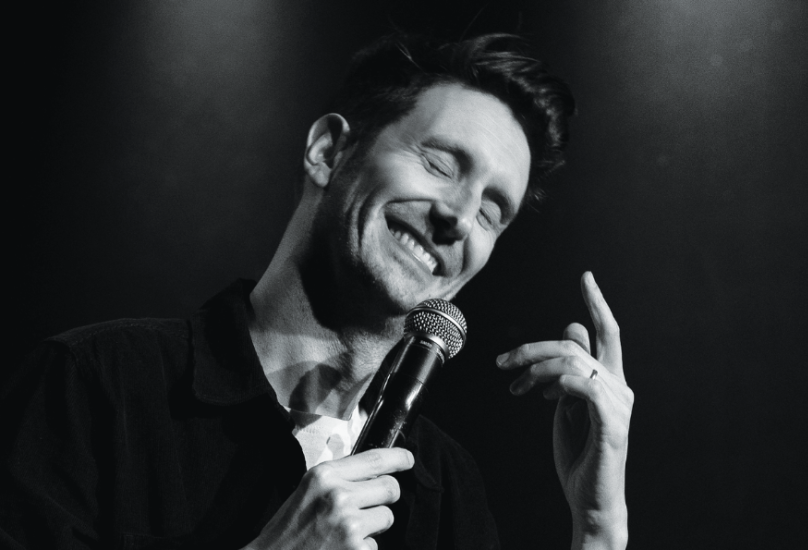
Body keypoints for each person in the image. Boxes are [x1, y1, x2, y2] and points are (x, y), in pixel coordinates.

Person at [1, 33, 633, 549]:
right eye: (440, 164)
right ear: (329, 151)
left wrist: (598, 526)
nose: (460, 218)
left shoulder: (444, 487)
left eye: (492, 213)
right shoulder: (96, 388)